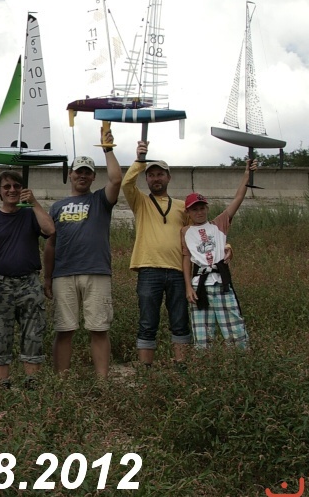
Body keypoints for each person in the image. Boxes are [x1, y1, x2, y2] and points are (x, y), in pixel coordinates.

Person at [44, 128, 122, 378]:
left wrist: (107, 149)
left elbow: (116, 180)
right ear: (70, 174)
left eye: (87, 172)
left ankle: (102, 381)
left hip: (96, 272)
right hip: (63, 275)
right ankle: (62, 382)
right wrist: (47, 277)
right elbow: (50, 244)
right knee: (64, 329)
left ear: (93, 177)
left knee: (99, 329)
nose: (82, 176)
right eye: (78, 171)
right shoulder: (57, 207)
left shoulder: (101, 200)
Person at [0, 170, 54, 389]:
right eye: (6, 187)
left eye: (16, 186)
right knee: (0, 336)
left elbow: (49, 229)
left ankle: (32, 385)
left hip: (29, 283)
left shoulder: (30, 215)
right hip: (1, 285)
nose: (12, 190)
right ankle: (3, 387)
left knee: (33, 334)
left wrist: (33, 202)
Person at [121, 141, 191, 367]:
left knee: (180, 320)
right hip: (149, 269)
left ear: (169, 177)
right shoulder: (140, 201)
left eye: (160, 174)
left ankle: (181, 366)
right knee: (148, 321)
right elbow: (126, 183)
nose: (155, 179)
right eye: (151, 175)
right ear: (147, 179)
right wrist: (140, 160)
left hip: (178, 271)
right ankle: (146, 369)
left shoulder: (182, 206)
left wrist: (224, 246)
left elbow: (199, 233)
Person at [181, 160, 256, 349]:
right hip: (199, 286)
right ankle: (205, 363)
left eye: (202, 208)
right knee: (202, 336)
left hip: (221, 283)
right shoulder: (185, 232)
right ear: (188, 212)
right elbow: (186, 259)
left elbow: (238, 198)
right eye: (194, 209)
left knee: (235, 331)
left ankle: (240, 360)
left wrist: (247, 174)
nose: (199, 212)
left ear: (207, 208)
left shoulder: (219, 224)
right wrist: (188, 287)